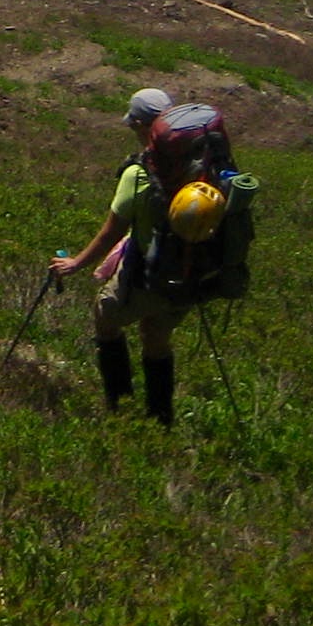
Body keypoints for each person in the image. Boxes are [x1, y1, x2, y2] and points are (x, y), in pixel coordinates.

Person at [53, 86, 188, 426]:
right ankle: (161, 420)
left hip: (149, 274)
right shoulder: (195, 163)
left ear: (143, 126)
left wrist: (77, 263)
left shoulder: (139, 173)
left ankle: (120, 408)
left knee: (105, 315)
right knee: (156, 336)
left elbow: (112, 229)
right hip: (189, 274)